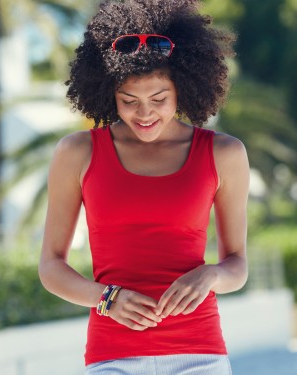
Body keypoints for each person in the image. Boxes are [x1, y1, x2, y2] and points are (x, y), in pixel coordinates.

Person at [38, 0, 249, 374]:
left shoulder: (224, 153)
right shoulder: (78, 152)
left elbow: (238, 265)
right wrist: (105, 298)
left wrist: (212, 274)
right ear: (109, 93)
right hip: (111, 357)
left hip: (200, 354)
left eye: (159, 99)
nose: (145, 114)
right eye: (128, 101)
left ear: (182, 89)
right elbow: (51, 267)